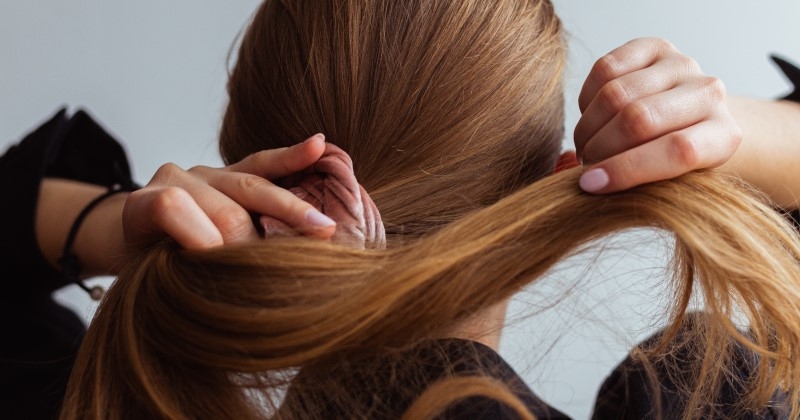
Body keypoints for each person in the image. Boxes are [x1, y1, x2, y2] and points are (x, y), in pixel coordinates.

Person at [2, 1, 800, 419]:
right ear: (542, 203)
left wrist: (118, 229)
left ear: (246, 160)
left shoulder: (90, 394)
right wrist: (740, 133)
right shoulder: (715, 394)